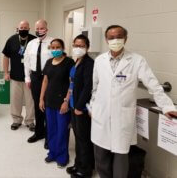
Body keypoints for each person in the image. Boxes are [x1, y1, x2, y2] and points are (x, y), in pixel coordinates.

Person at [89, 25, 177, 178]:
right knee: (101, 156)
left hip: (122, 117)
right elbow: (95, 87)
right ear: (106, 39)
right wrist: (92, 107)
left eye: (119, 36)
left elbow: (153, 85)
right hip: (101, 115)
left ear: (126, 38)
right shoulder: (99, 60)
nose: (115, 40)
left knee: (121, 155)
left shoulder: (137, 60)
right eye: (111, 37)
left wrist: (167, 106)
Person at [39, 38, 75, 168]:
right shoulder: (49, 62)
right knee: (51, 129)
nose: (55, 50)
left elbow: (72, 83)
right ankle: (52, 153)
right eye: (52, 48)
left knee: (62, 130)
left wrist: (66, 101)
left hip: (62, 102)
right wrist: (41, 99)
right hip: (49, 101)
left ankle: (62, 156)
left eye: (57, 47)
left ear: (63, 47)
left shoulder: (69, 62)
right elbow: (45, 81)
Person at [66, 35, 94, 178]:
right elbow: (72, 83)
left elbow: (88, 87)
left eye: (81, 45)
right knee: (77, 137)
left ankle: (85, 170)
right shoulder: (77, 61)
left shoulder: (89, 63)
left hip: (81, 108)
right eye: (76, 45)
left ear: (87, 47)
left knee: (84, 139)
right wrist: (68, 100)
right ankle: (78, 164)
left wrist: (79, 106)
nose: (78, 48)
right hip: (73, 105)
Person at [24, 19, 54, 147]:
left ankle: (49, 135)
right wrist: (27, 78)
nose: (39, 30)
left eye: (42, 28)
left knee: (48, 105)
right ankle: (38, 132)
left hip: (49, 77)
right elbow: (26, 61)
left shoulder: (53, 42)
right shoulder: (31, 43)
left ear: (47, 29)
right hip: (35, 77)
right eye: (37, 28)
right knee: (37, 105)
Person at [2, 20, 36, 131]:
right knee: (15, 100)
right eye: (21, 27)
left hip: (30, 78)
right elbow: (6, 57)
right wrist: (6, 72)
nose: (23, 29)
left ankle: (30, 121)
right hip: (15, 77)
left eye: (26, 27)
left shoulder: (34, 40)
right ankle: (16, 120)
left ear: (29, 28)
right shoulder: (11, 40)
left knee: (30, 101)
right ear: (18, 28)